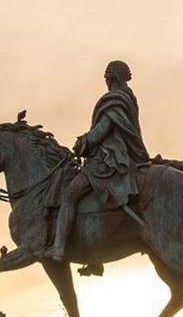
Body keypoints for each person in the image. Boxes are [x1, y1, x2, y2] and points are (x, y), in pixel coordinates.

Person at [44, 60, 151, 261]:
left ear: (111, 78)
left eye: (106, 77)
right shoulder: (128, 97)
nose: (105, 81)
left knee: (69, 195)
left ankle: (58, 247)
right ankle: (92, 257)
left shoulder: (114, 100)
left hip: (108, 160)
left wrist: (83, 142)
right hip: (120, 155)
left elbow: (101, 131)